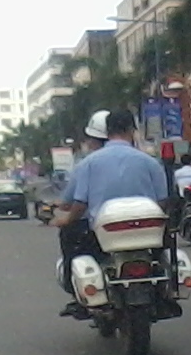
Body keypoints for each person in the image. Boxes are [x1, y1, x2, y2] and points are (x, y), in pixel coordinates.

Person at [55, 109, 169, 311]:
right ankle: (165, 290)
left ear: (107, 132)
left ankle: (76, 293)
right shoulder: (150, 162)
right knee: (165, 245)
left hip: (102, 234)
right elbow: (162, 201)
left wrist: (67, 220)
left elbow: (79, 203)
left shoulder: (88, 164)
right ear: (132, 130)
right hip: (146, 233)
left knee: (69, 235)